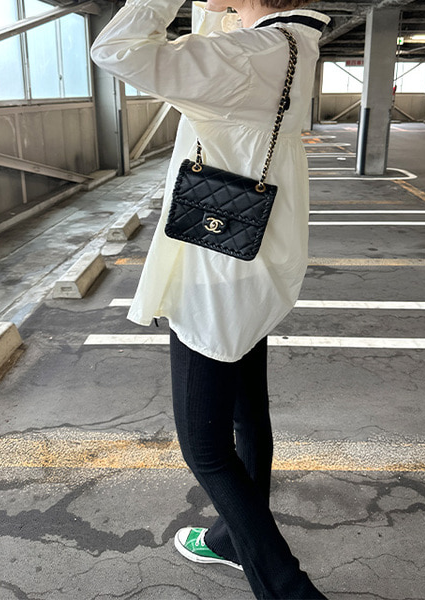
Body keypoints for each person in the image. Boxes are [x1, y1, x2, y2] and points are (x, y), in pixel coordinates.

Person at [91, 1, 330, 597]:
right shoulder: (290, 43)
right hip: (252, 262)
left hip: (213, 272)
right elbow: (214, 37)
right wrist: (215, 11)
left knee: (206, 447)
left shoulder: (245, 57)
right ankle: (228, 540)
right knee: (249, 416)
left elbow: (114, 50)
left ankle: (290, 590)